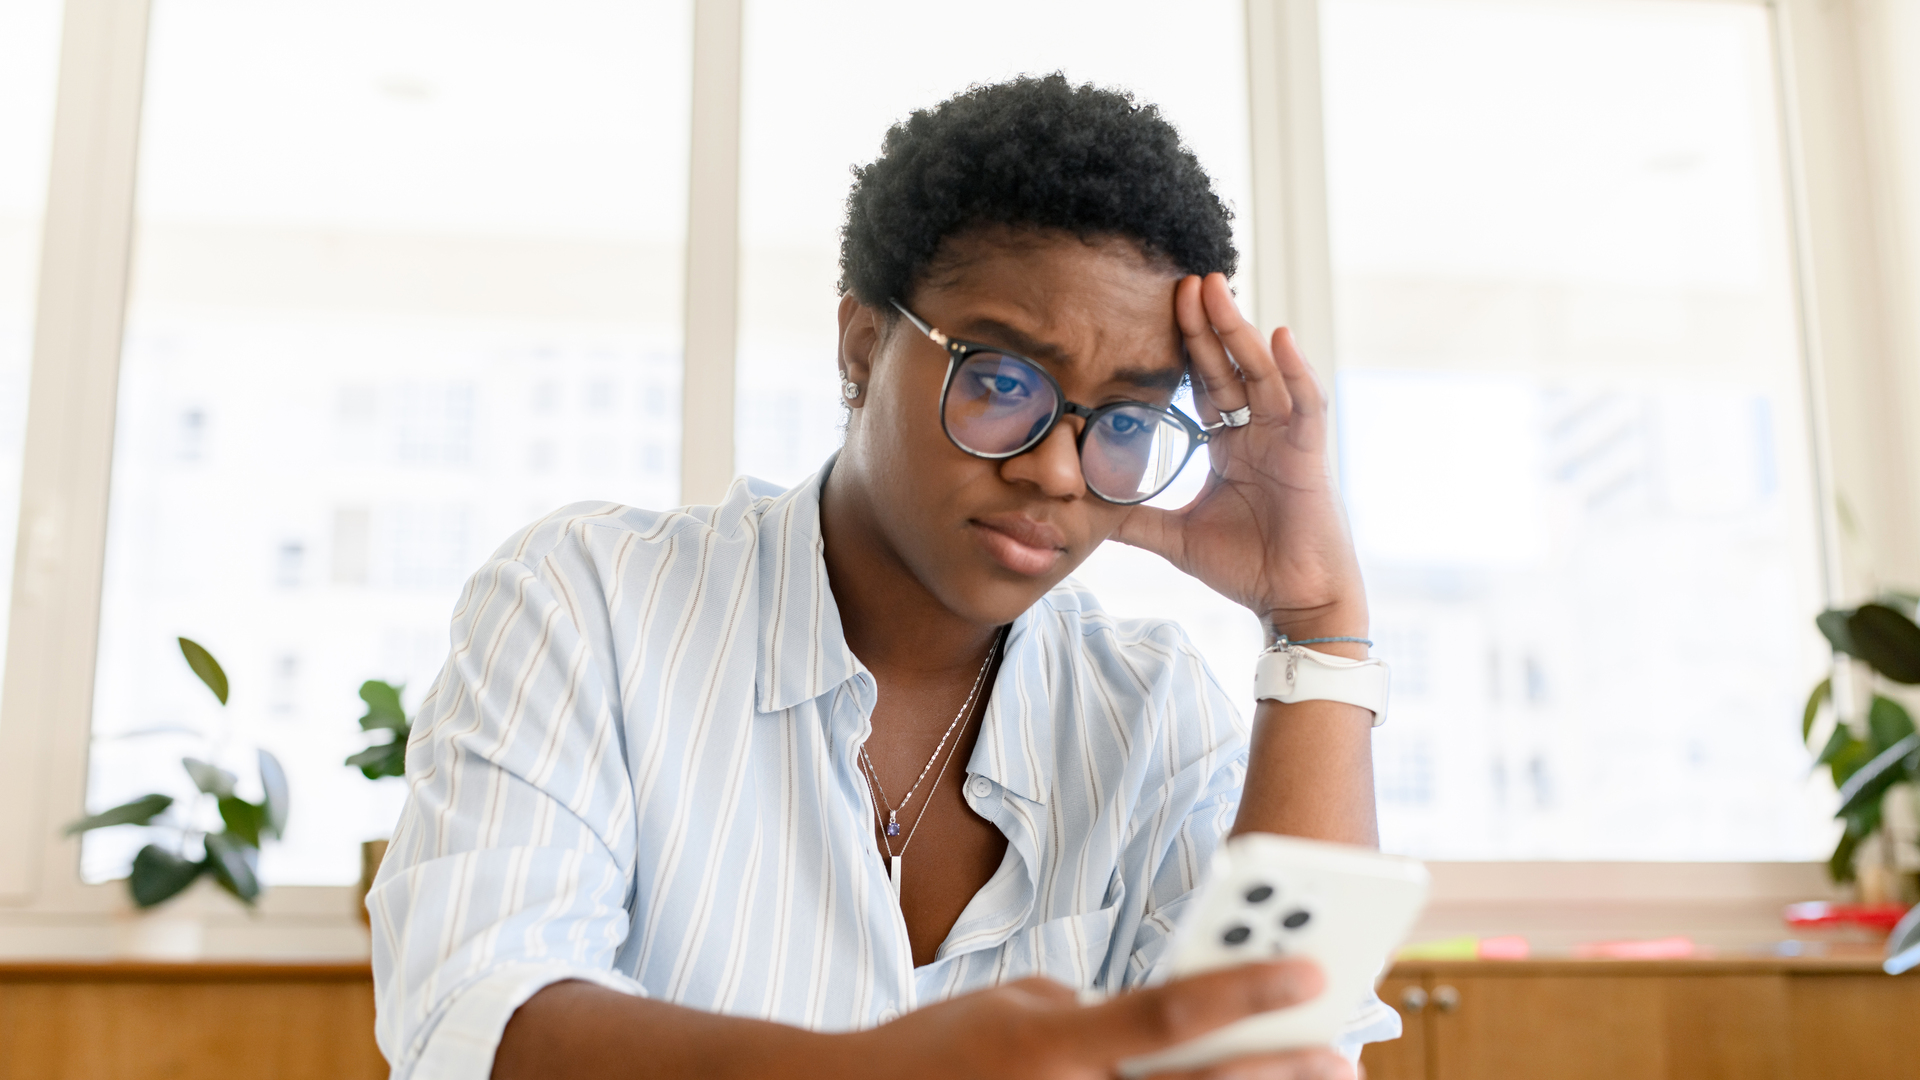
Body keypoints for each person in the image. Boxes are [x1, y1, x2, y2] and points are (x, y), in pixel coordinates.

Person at [369, 74, 1391, 1080]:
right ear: (863, 343)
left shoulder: (1151, 712)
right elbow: (471, 1017)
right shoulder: (588, 605)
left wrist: (1317, 624)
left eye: (1123, 419)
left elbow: (1278, 1049)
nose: (1056, 468)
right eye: (1000, 380)